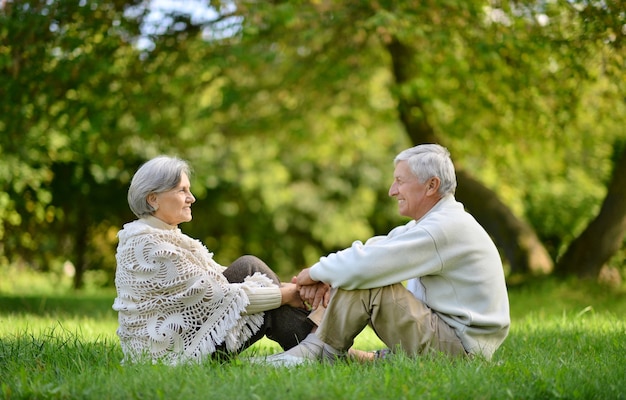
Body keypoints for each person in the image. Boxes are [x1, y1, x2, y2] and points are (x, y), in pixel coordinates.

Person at [260, 144, 510, 366]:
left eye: (400, 181)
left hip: (462, 352)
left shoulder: (444, 228)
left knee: (368, 279)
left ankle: (317, 353)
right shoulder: (433, 224)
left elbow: (366, 265)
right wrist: (325, 276)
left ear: (431, 185)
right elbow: (373, 250)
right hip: (453, 340)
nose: (392, 191)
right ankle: (319, 346)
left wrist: (312, 273)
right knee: (358, 270)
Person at [112, 156, 313, 365]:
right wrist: (289, 293)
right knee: (250, 268)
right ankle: (324, 349)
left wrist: (287, 289)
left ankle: (321, 346)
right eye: (182, 190)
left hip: (185, 335)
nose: (192, 198)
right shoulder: (149, 245)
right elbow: (216, 295)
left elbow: (214, 278)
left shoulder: (161, 235)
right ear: (153, 199)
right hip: (173, 353)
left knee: (250, 269)